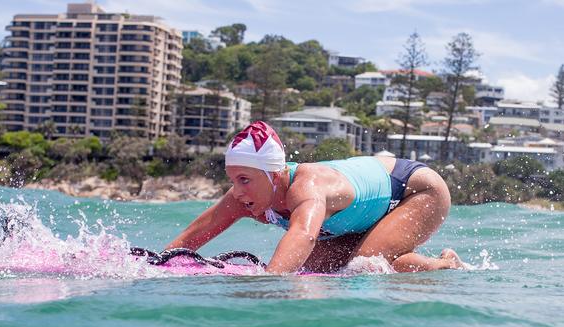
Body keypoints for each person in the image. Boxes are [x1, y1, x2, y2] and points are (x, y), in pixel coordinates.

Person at [165, 121, 463, 274]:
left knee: (367, 266)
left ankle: (447, 264)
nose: (237, 191)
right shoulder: (243, 196)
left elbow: (304, 235)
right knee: (315, 269)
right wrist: (157, 267)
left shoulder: (306, 187)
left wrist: (270, 285)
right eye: (233, 180)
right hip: (362, 214)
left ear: (273, 174)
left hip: (414, 189)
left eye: (245, 179)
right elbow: (191, 237)